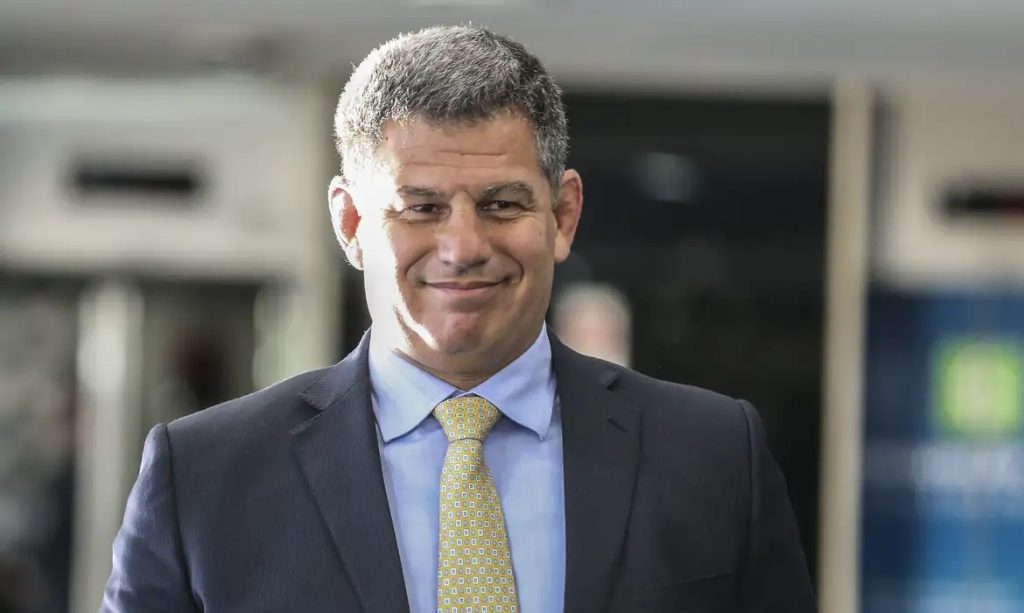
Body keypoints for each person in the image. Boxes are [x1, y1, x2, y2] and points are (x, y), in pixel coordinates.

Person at [102, 25, 817, 613]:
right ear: (351, 223)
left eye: (502, 204)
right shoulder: (204, 477)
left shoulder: (714, 457)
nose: (464, 246)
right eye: (422, 207)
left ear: (563, 215)